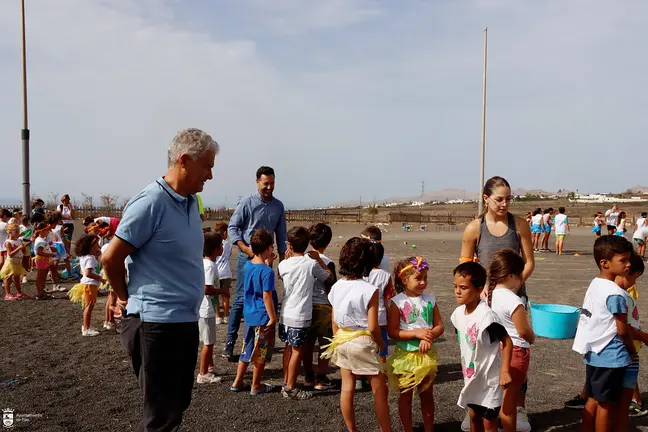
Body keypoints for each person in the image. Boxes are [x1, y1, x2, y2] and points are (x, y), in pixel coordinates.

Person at [102, 128, 218, 431]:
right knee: (161, 417)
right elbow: (110, 258)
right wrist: (125, 298)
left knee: (176, 406)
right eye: (207, 166)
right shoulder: (150, 202)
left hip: (182, 319)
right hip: (155, 322)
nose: (210, 175)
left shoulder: (190, 202)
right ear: (184, 160)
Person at [459, 176, 534, 431]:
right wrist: (481, 291)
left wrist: (513, 285)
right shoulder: (474, 228)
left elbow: (529, 262)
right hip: (483, 301)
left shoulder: (520, 225)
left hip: (513, 298)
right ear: (486, 199)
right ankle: (478, 404)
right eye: (499, 199)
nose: (504, 204)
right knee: (484, 353)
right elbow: (466, 266)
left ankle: (516, 408)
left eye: (508, 199)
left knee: (517, 351)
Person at [320, 237, 391, 432]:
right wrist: (382, 345)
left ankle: (353, 430)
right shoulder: (370, 290)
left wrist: (337, 340)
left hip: (342, 338)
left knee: (347, 387)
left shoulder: (337, 287)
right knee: (379, 390)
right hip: (363, 340)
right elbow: (373, 326)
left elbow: (334, 319)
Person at [572, 235, 635, 432]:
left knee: (593, 398)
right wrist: (632, 350)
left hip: (594, 352)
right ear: (605, 263)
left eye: (628, 259)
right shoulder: (615, 293)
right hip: (611, 356)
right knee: (606, 404)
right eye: (623, 260)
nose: (628, 264)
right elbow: (622, 329)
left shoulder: (595, 283)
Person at [224, 166, 287, 358]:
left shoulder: (278, 206)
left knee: (267, 297)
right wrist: (245, 248)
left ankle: (262, 339)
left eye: (272, 183)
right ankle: (230, 342)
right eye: (265, 183)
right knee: (242, 298)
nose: (269, 187)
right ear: (257, 182)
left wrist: (282, 262)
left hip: (268, 259)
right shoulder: (247, 204)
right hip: (247, 257)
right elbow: (233, 228)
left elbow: (281, 233)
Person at [452, 262, 513, 432]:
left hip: (489, 380)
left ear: (479, 289)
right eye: (455, 286)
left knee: (489, 421)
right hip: (472, 377)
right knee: (473, 416)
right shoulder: (458, 314)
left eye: (463, 287)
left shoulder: (487, 317)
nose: (457, 291)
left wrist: (505, 371)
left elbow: (507, 341)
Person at [387, 256, 443, 432]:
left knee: (427, 395)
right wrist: (416, 333)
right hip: (406, 356)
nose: (423, 282)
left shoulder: (430, 300)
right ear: (404, 280)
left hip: (426, 356)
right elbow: (393, 331)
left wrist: (429, 336)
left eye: (425, 278)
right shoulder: (397, 302)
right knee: (406, 395)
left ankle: (429, 428)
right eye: (418, 278)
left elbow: (439, 326)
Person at [278, 226, 332, 400]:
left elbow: (281, 275)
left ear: (289, 245)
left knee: (288, 349)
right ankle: (291, 388)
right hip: (300, 315)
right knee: (297, 351)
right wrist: (320, 261)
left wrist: (287, 257)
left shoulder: (283, 264)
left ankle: (286, 382)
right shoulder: (310, 264)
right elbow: (328, 278)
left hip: (285, 313)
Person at [488, 249, 535, 432]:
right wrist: (533, 337)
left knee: (500, 394)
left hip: (498, 349)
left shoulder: (492, 295)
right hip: (516, 351)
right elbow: (523, 330)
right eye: (520, 275)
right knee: (510, 400)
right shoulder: (513, 300)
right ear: (510, 275)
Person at [230, 229, 278, 395]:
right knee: (261, 353)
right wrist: (273, 317)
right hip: (262, 316)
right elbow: (266, 296)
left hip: (249, 314)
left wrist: (268, 263)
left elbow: (257, 277)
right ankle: (256, 385)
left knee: (246, 349)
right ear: (266, 249)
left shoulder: (248, 265)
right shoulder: (267, 272)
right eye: (271, 247)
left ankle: (238, 381)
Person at [303, 223, 337, 390]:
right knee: (325, 344)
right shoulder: (328, 262)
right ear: (328, 241)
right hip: (324, 306)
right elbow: (332, 285)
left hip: (306, 306)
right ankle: (321, 377)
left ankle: (308, 376)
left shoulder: (302, 260)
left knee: (308, 344)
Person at [198, 233, 225, 384]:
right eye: (221, 246)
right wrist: (223, 291)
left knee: (210, 341)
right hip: (205, 309)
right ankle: (202, 374)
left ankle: (209, 366)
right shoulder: (209, 266)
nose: (222, 248)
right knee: (207, 343)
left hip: (208, 308)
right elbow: (206, 289)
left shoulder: (208, 263)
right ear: (215, 249)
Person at [364, 241, 396, 363]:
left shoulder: (361, 273)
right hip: (381, 317)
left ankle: (362, 379)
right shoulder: (385, 276)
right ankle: (382, 373)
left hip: (364, 316)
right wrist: (390, 316)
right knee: (382, 347)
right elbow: (388, 298)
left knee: (365, 349)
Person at [67, 235, 105, 336]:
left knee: (89, 306)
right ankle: (86, 328)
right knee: (89, 306)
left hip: (88, 283)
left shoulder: (85, 257)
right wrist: (100, 278)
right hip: (90, 284)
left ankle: (86, 325)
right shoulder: (90, 259)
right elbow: (88, 273)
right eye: (97, 245)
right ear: (91, 246)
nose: (99, 247)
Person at [1, 223, 30, 300]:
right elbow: (10, 254)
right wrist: (18, 248)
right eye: (16, 231)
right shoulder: (8, 242)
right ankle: (7, 294)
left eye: (18, 231)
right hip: (11, 262)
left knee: (17, 278)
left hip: (18, 262)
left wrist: (23, 249)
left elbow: (22, 250)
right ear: (10, 232)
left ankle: (19, 293)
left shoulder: (19, 240)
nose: (18, 233)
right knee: (8, 278)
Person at [214, 221, 232, 324]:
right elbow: (228, 255)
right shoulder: (228, 245)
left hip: (216, 272)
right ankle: (226, 315)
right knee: (225, 296)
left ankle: (217, 316)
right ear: (225, 233)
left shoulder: (214, 244)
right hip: (225, 272)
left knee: (215, 296)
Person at [33, 222, 57, 300]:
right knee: (41, 277)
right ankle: (39, 293)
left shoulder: (41, 240)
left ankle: (41, 292)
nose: (48, 232)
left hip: (44, 261)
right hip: (42, 261)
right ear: (42, 231)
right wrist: (50, 255)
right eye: (47, 231)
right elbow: (39, 252)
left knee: (42, 277)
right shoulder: (40, 241)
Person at [19, 215, 34, 284]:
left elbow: (33, 238)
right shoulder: (20, 226)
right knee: (19, 260)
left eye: (24, 222)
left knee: (26, 260)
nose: (23, 223)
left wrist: (29, 242)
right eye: (22, 222)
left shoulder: (31, 227)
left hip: (26, 243)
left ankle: (24, 275)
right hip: (19, 243)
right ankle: (19, 275)